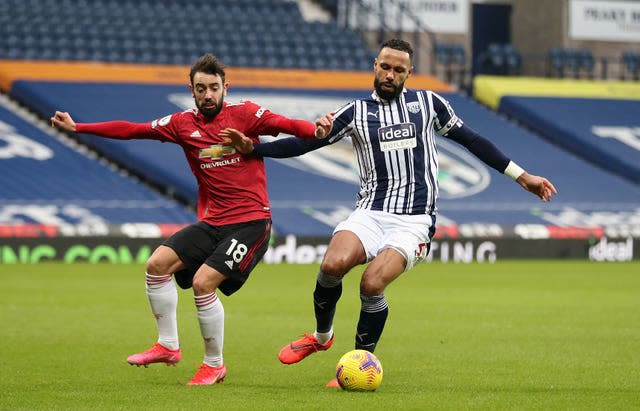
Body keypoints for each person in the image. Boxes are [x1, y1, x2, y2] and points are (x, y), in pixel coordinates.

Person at [222, 38, 557, 387]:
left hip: (413, 221)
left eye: (399, 69)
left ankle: (357, 362)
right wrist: (256, 150)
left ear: (409, 73)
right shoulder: (355, 112)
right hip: (369, 212)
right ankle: (322, 337)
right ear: (375, 66)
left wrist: (522, 176)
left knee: (372, 283)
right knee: (331, 265)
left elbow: (473, 140)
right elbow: (308, 142)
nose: (390, 74)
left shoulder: (429, 104)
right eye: (385, 66)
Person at [50, 53, 328, 386]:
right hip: (213, 223)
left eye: (213, 87)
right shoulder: (182, 124)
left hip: (251, 223)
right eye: (201, 88)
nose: (208, 94)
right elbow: (132, 130)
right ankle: (168, 345)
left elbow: (288, 125)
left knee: (202, 283)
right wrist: (78, 126)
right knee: (157, 265)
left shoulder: (246, 114)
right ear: (192, 90)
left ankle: (214, 364)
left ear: (226, 87)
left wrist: (315, 128)